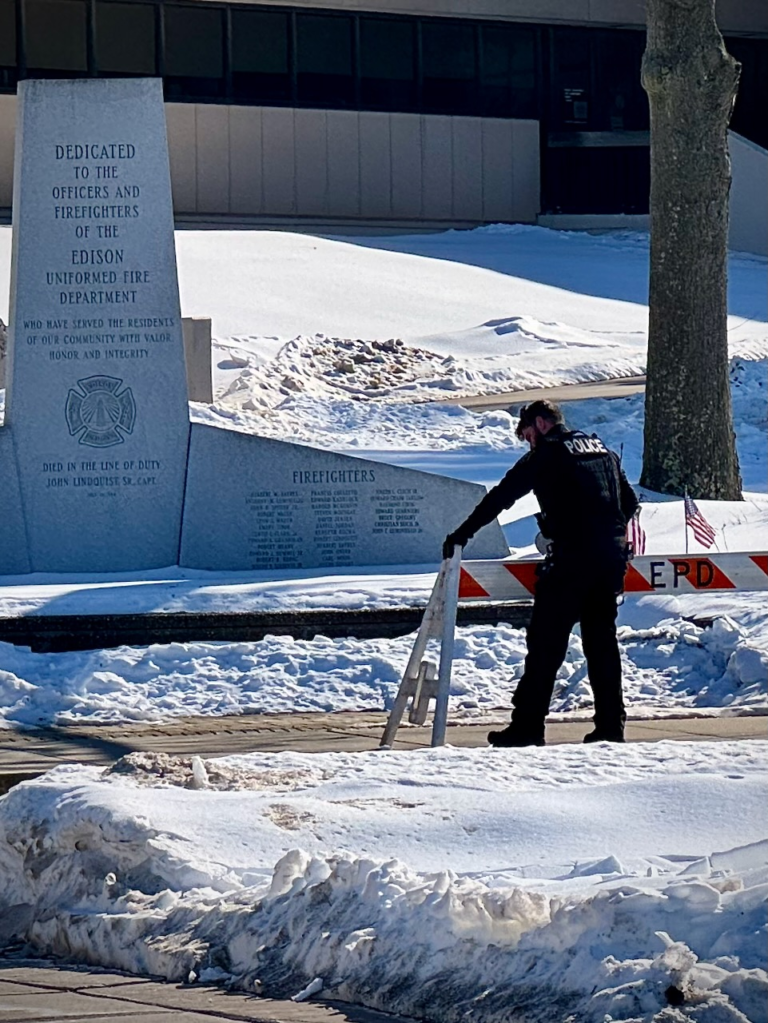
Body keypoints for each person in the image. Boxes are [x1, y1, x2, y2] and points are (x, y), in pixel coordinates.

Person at [443, 399, 638, 747]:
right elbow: (630, 503)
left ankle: (527, 727)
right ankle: (610, 727)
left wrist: (461, 534)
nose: (528, 442)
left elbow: (501, 496)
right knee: (602, 644)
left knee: (546, 645)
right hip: (610, 559)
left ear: (540, 424)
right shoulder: (602, 450)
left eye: (527, 435)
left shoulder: (547, 454)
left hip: (571, 560)